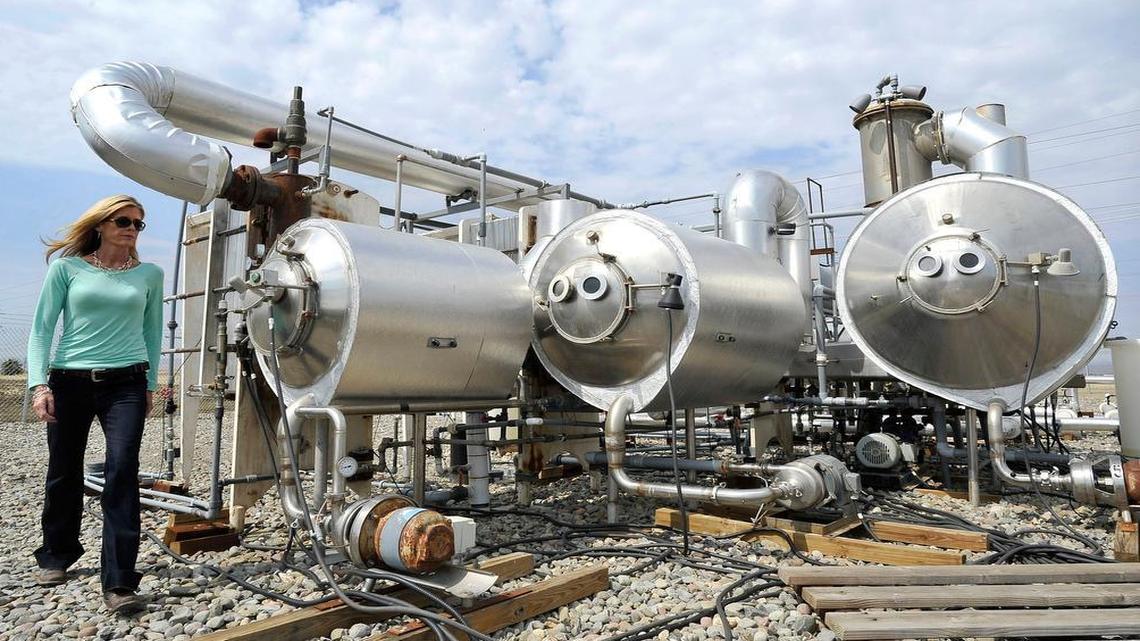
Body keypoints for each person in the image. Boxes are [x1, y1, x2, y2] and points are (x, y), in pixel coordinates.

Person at [27, 195, 164, 615]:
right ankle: (57, 554)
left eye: (138, 224)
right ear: (101, 225)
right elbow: (41, 330)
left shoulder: (150, 275)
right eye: (123, 220)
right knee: (64, 469)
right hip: (69, 382)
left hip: (126, 383)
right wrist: (38, 386)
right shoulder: (67, 270)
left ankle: (120, 580)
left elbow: (153, 331)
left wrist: (151, 385)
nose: (131, 228)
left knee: (122, 470)